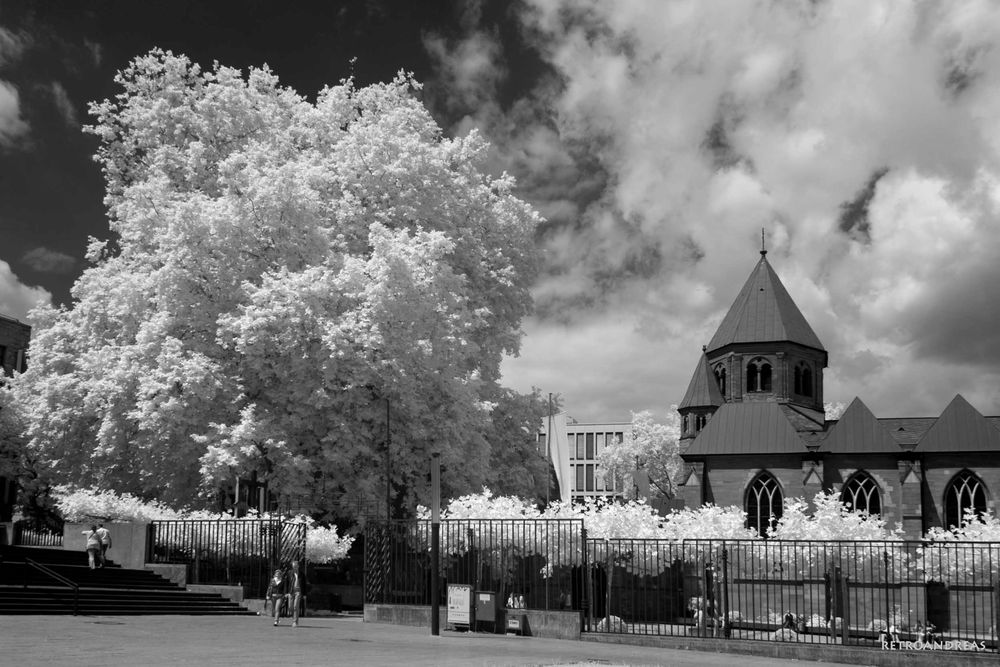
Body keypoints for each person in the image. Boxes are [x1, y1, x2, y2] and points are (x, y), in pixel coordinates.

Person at [287, 560, 307, 627]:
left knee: (296, 606)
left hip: (298, 592)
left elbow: (304, 585)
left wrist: (304, 594)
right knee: (290, 607)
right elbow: (286, 583)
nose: (294, 568)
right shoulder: (289, 573)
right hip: (291, 591)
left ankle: (295, 621)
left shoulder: (302, 574)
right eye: (293, 567)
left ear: (298, 566)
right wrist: (286, 593)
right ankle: (294, 619)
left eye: (295, 566)